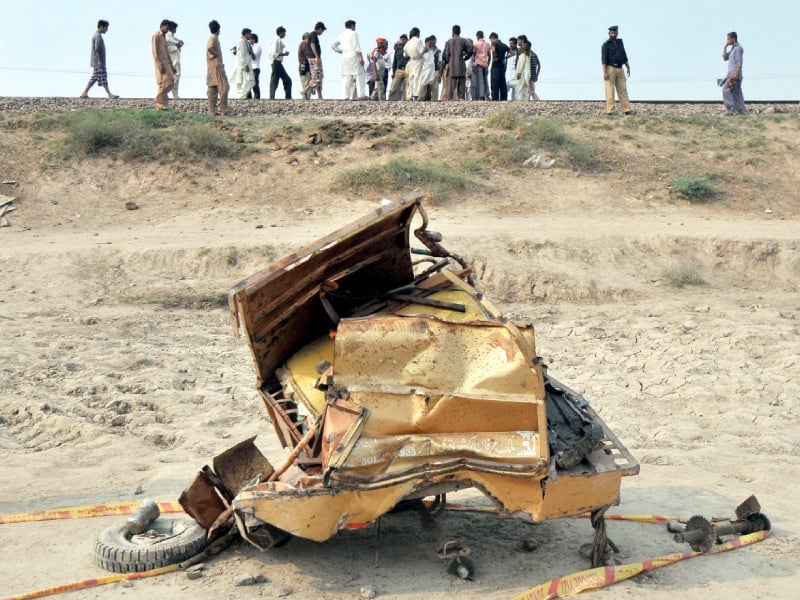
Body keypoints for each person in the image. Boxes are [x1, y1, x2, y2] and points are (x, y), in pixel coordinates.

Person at [79, 19, 119, 99]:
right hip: (98, 62)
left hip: (97, 62)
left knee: (95, 77)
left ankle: (84, 93)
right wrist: (100, 61)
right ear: (101, 27)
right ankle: (109, 94)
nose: (107, 30)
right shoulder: (97, 36)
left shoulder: (97, 35)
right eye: (106, 28)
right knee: (103, 77)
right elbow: (97, 49)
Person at [331, 20, 366, 100]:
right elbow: (357, 47)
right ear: (352, 26)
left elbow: (333, 45)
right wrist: (361, 57)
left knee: (347, 76)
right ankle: (361, 95)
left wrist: (341, 51)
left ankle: (345, 96)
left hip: (345, 57)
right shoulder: (354, 33)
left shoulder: (341, 35)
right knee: (359, 75)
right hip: (354, 56)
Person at [601, 25, 632, 115]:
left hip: (620, 68)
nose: (613, 34)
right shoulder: (606, 45)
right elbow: (603, 60)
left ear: (617, 33)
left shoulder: (620, 43)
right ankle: (610, 111)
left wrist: (628, 66)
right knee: (610, 90)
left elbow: (624, 55)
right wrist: (605, 72)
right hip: (610, 68)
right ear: (609, 33)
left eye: (615, 32)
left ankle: (626, 110)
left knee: (623, 89)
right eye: (612, 33)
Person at [441, 25, 472, 101]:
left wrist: (447, 61)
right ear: (460, 31)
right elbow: (471, 48)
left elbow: (444, 55)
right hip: (461, 63)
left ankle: (449, 99)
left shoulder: (448, 42)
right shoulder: (463, 40)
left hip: (451, 65)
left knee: (450, 84)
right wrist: (466, 56)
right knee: (461, 81)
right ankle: (461, 98)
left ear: (452, 32)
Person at [206, 20, 230, 115]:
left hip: (212, 67)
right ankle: (224, 109)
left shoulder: (212, 37)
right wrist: (216, 55)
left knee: (212, 89)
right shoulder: (213, 38)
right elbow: (210, 48)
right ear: (218, 29)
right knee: (224, 87)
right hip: (217, 67)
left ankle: (212, 110)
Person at [151, 19, 175, 110]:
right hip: (160, 63)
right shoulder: (156, 36)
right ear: (162, 26)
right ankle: (158, 101)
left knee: (169, 82)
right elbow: (154, 52)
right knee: (164, 83)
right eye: (166, 28)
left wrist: (172, 66)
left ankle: (161, 104)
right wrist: (159, 64)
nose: (167, 30)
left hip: (167, 63)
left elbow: (167, 53)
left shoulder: (164, 37)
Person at [719, 31, 745, 114]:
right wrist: (725, 47)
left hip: (734, 74)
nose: (727, 41)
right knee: (736, 93)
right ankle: (741, 111)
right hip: (733, 74)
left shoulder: (738, 48)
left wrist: (736, 74)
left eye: (728, 39)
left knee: (726, 90)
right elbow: (725, 58)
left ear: (733, 39)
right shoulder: (733, 49)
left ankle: (731, 109)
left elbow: (739, 62)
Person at [302, 22, 326, 99]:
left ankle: (320, 96)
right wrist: (317, 57)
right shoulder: (313, 35)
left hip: (315, 58)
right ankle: (304, 90)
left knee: (320, 76)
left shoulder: (314, 35)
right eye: (322, 31)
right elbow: (312, 45)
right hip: (314, 58)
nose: (322, 33)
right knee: (316, 77)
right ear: (319, 29)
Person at [268, 27, 292, 99]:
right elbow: (273, 54)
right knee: (275, 80)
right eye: (284, 33)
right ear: (281, 32)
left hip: (277, 63)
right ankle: (272, 97)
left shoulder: (277, 40)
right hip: (276, 62)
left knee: (286, 80)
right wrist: (284, 54)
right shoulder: (276, 40)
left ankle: (287, 97)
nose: (285, 34)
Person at [231, 28, 255, 99]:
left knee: (248, 82)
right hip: (243, 66)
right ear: (246, 34)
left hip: (246, 65)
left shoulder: (245, 42)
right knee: (244, 82)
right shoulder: (241, 41)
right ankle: (241, 98)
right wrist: (245, 65)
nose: (250, 36)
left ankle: (242, 97)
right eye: (249, 34)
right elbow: (241, 54)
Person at [404, 27, 426, 100]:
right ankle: (416, 95)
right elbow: (421, 51)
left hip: (411, 61)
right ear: (418, 34)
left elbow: (405, 55)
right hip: (418, 60)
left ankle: (409, 95)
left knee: (411, 78)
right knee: (418, 78)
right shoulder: (418, 41)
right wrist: (425, 49)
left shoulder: (408, 42)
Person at [165, 21, 184, 99]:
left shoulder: (174, 37)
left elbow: (179, 43)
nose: (175, 29)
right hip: (172, 59)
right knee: (175, 76)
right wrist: (176, 47)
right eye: (174, 28)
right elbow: (166, 49)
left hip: (176, 58)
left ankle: (175, 95)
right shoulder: (167, 37)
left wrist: (179, 45)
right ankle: (165, 91)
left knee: (177, 75)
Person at [388, 34, 409, 101]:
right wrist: (394, 72)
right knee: (395, 86)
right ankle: (392, 100)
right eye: (401, 40)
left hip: (407, 69)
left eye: (404, 39)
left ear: (407, 40)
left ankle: (407, 100)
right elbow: (395, 61)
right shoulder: (398, 49)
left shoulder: (409, 49)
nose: (402, 41)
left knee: (407, 87)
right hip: (399, 70)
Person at [488, 32, 509, 101]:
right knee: (502, 82)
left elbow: (493, 49)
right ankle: (503, 98)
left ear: (493, 38)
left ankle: (495, 98)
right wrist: (505, 58)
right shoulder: (504, 45)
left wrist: (494, 57)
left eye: (490, 39)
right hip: (502, 66)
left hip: (496, 65)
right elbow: (513, 53)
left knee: (494, 82)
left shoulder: (494, 43)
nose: (491, 41)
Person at [470, 31, 490, 100]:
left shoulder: (476, 44)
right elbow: (489, 55)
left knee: (480, 80)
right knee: (485, 80)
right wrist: (488, 64)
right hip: (485, 64)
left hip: (478, 64)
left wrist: (475, 62)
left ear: (477, 36)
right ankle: (487, 94)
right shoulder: (487, 44)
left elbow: (474, 54)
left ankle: (481, 95)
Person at [418, 36, 438, 101]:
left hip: (432, 71)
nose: (431, 44)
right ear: (426, 43)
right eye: (430, 43)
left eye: (432, 43)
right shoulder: (422, 50)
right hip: (424, 71)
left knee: (434, 87)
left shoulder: (433, 51)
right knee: (423, 86)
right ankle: (421, 100)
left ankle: (434, 100)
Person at [509, 37, 530, 101]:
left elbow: (521, 61)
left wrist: (519, 72)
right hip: (520, 72)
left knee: (517, 87)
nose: (510, 45)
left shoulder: (521, 50)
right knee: (520, 88)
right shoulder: (526, 49)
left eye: (518, 40)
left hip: (520, 72)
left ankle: (518, 101)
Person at [248, 33, 262, 99]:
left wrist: (250, 49)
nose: (248, 40)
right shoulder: (249, 46)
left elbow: (254, 57)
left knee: (255, 84)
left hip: (255, 67)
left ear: (253, 40)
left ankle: (257, 99)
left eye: (249, 39)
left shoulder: (257, 47)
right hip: (249, 68)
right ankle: (248, 99)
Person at [298, 33, 312, 99]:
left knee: (305, 83)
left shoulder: (302, 44)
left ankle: (305, 98)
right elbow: (307, 54)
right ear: (307, 38)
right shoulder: (304, 44)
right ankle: (306, 98)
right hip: (305, 67)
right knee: (306, 83)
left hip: (303, 66)